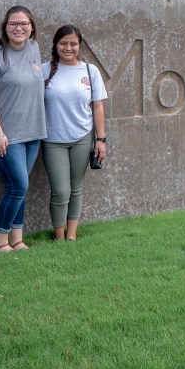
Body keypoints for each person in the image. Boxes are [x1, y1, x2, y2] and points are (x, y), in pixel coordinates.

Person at [0, 5, 46, 253]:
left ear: (31, 28)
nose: (19, 28)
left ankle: (17, 239)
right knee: (18, 186)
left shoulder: (34, 48)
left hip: (33, 133)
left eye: (24, 24)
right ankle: (0, 241)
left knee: (21, 186)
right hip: (5, 136)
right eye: (14, 24)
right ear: (5, 27)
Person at [41, 24, 108, 241]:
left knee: (76, 187)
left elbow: (97, 106)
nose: (68, 48)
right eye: (63, 43)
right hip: (53, 140)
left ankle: (71, 236)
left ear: (79, 46)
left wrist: (101, 140)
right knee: (61, 190)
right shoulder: (43, 71)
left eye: (73, 44)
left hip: (82, 137)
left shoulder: (90, 71)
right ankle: (58, 237)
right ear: (55, 45)